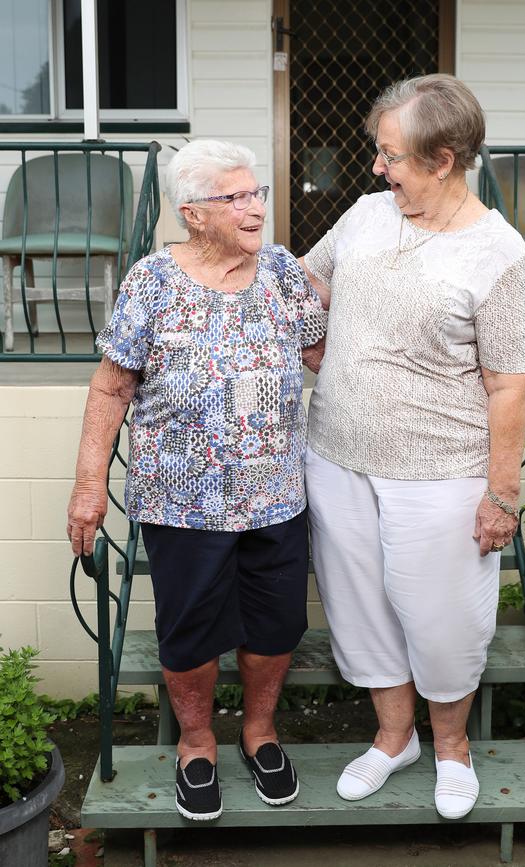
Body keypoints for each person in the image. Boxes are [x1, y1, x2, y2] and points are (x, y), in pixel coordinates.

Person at [67, 139, 327, 821]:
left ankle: (260, 732)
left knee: (276, 625)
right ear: (194, 214)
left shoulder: (281, 272)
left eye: (256, 194)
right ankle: (197, 741)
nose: (255, 208)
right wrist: (89, 483)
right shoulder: (151, 280)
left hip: (275, 492)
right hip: (181, 500)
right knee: (190, 631)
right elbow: (111, 386)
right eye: (235, 197)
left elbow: (326, 355)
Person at [300, 74, 525, 819]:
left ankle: (452, 748)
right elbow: (308, 280)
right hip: (337, 452)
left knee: (440, 616)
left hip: (439, 471)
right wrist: (318, 343)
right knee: (361, 607)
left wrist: (503, 494)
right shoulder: (368, 215)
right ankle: (394, 735)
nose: (377, 168)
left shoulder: (499, 256)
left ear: (443, 158)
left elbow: (508, 388)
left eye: (391, 155)